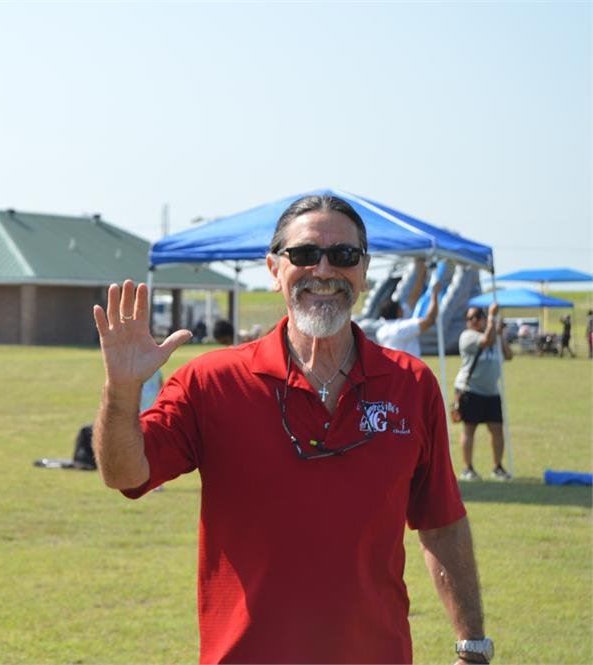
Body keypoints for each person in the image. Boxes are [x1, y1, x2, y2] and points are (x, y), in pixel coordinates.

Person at [92, 194, 493, 664]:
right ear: (273, 268)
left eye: (343, 255)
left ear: (363, 271)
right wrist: (120, 391)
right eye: (303, 254)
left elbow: (441, 524)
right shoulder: (211, 381)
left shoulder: (411, 383)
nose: (323, 269)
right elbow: (124, 474)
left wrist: (472, 647)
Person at [455, 304, 513, 482]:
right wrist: (491, 318)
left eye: (477, 316)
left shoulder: (493, 335)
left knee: (497, 430)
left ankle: (498, 467)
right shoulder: (467, 336)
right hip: (471, 389)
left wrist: (500, 334)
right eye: (470, 318)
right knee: (469, 429)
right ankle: (468, 468)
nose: (473, 320)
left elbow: (509, 355)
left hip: (491, 392)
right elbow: (485, 341)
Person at [375, 279, 442, 357]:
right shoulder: (402, 329)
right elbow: (429, 320)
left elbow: (413, 299)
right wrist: (434, 295)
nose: (403, 309)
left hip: (392, 367)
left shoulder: (381, 332)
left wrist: (421, 274)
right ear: (398, 312)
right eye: (400, 308)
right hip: (408, 368)